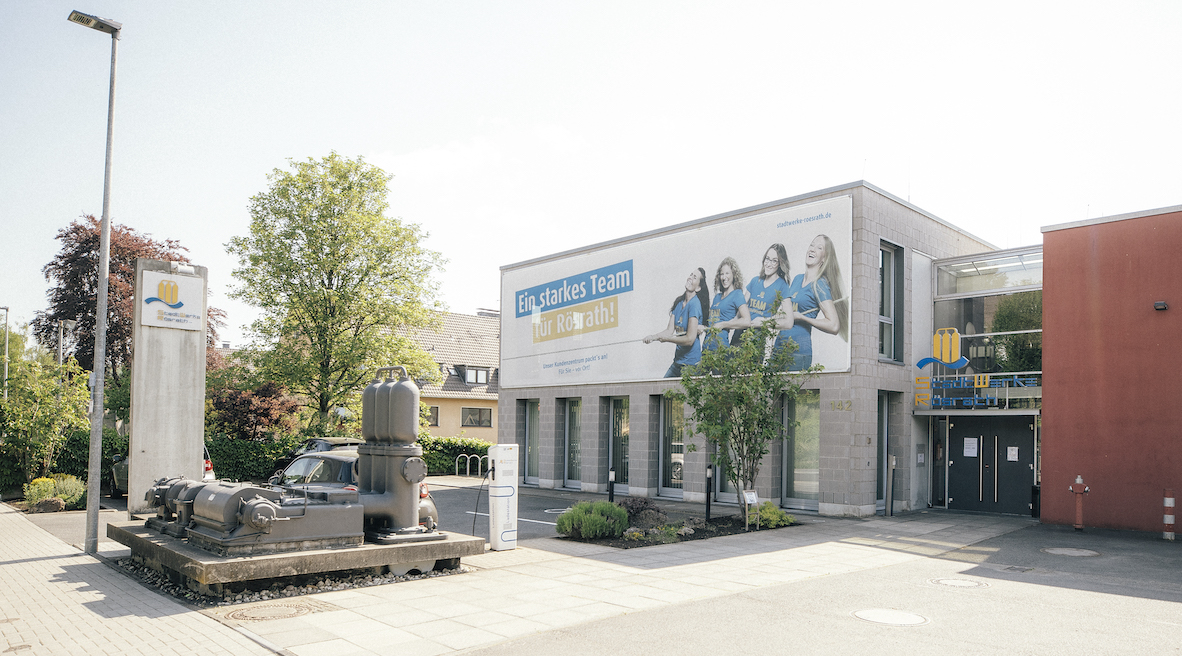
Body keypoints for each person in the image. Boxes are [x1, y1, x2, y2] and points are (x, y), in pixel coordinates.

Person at [774, 234, 848, 370]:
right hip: (779, 348)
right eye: (811, 245)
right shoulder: (797, 279)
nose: (812, 249)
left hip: (798, 352)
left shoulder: (819, 285)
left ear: (824, 258)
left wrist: (802, 317)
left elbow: (834, 326)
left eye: (819, 247)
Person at [643, 267, 710, 378]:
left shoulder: (694, 305)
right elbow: (669, 330)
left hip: (691, 365)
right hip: (677, 362)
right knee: (663, 392)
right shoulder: (679, 303)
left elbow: (689, 340)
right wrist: (652, 337)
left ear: (698, 287)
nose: (690, 278)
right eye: (691, 274)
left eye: (695, 277)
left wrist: (667, 340)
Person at [743, 244, 792, 345]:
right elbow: (739, 311)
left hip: (757, 338)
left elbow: (788, 322)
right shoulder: (754, 281)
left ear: (780, 263)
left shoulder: (782, 286)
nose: (769, 264)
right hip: (741, 334)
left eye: (774, 261)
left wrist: (764, 322)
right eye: (767, 259)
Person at [700, 257, 750, 352]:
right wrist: (703, 327)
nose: (724, 277)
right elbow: (712, 323)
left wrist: (723, 324)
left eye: (727, 273)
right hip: (706, 348)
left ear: (734, 275)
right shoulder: (717, 297)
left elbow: (746, 321)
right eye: (721, 274)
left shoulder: (737, 294)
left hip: (720, 349)